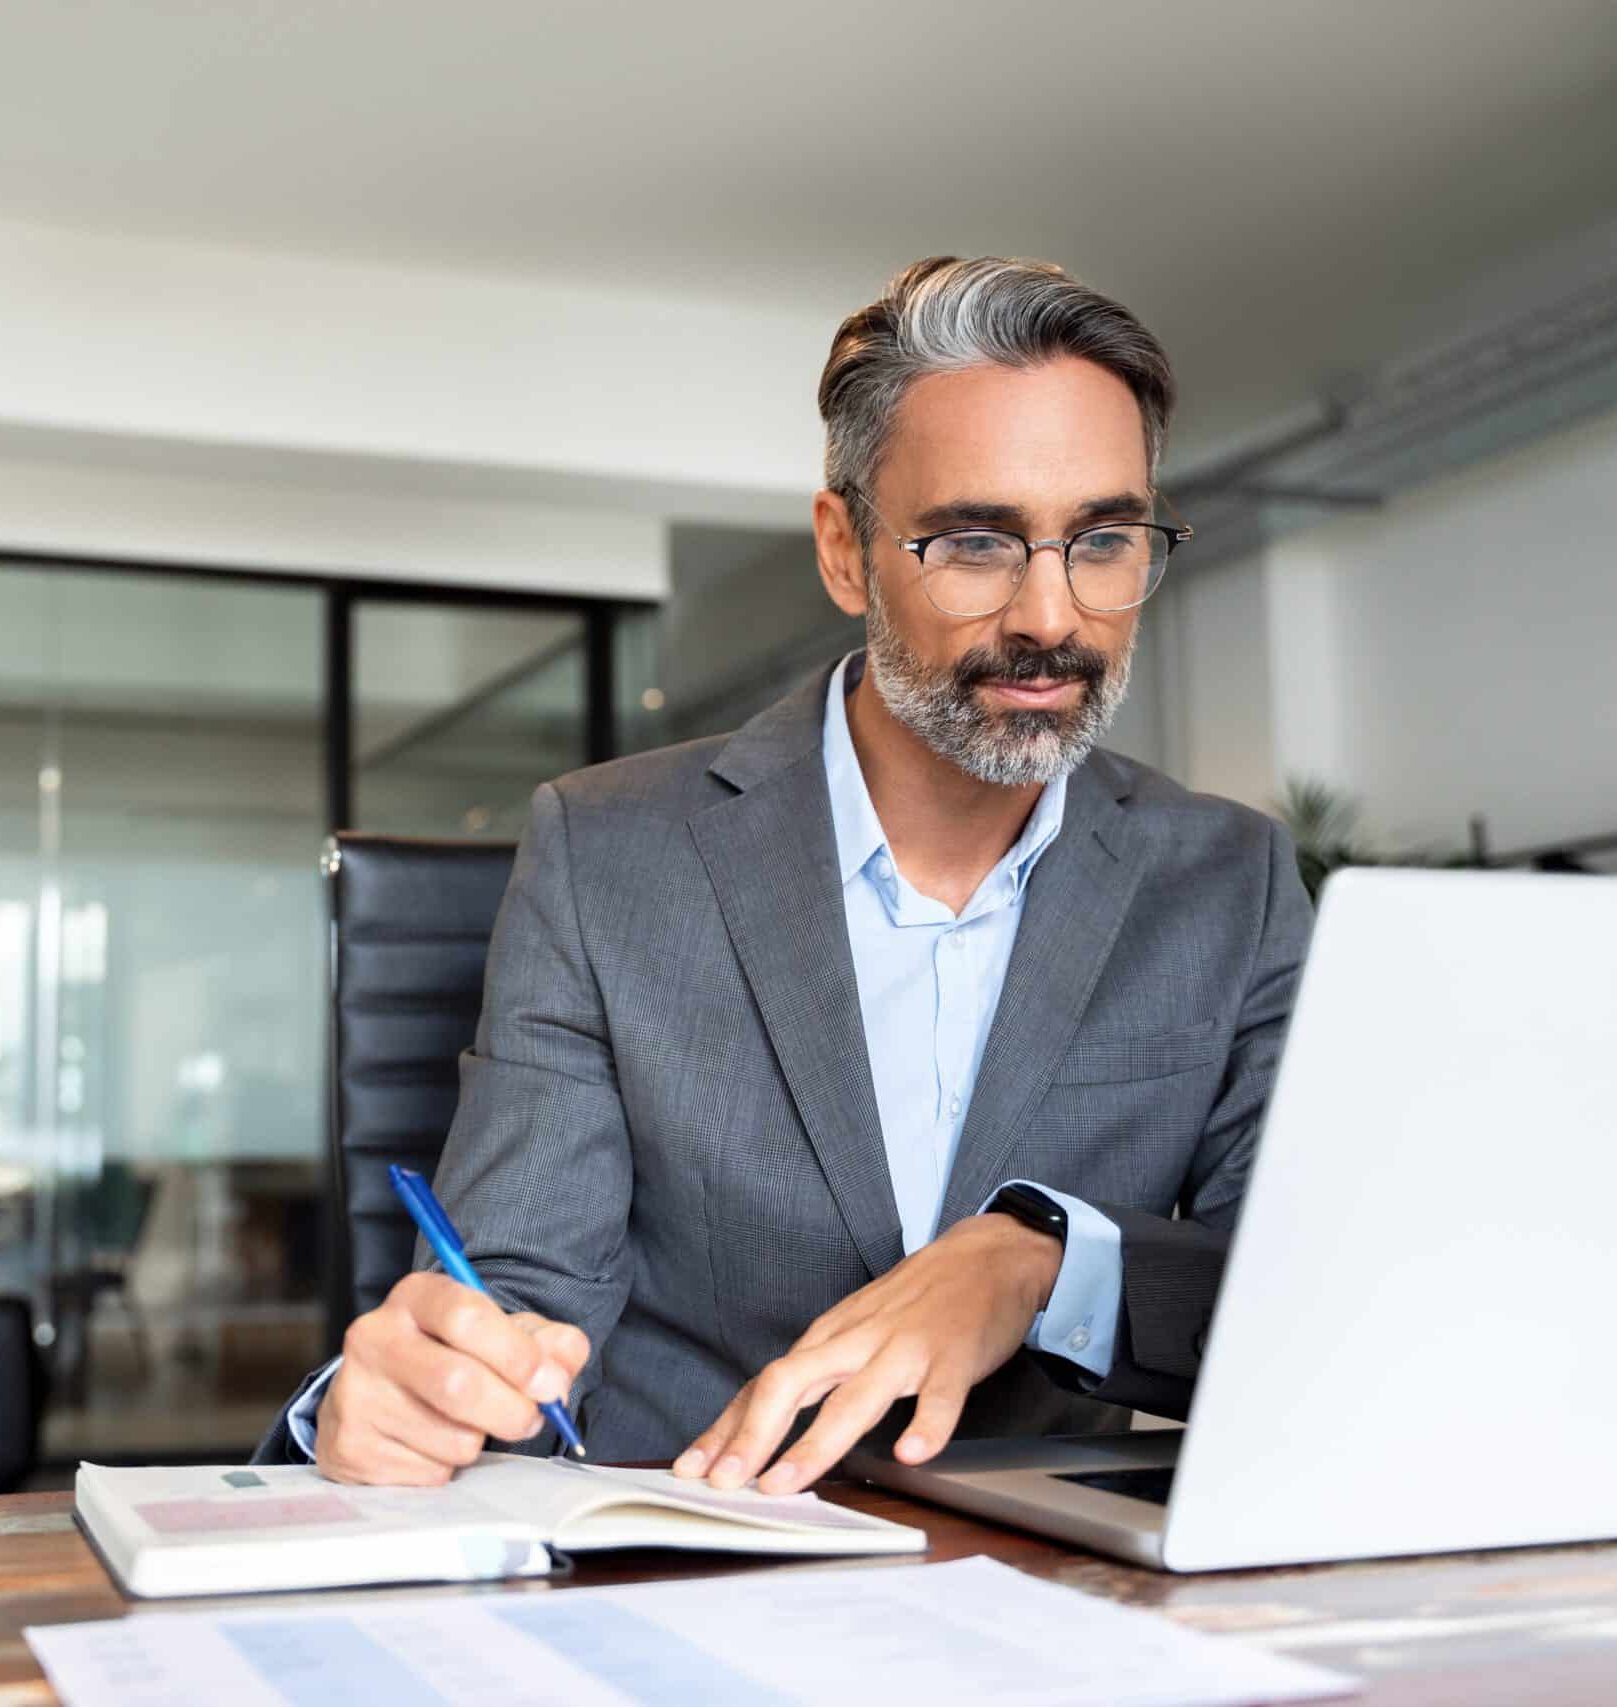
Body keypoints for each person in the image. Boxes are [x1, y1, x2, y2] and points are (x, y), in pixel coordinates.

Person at [257, 256, 1311, 1494]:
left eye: (1105, 539)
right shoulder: (608, 854)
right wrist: (421, 1399)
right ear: (846, 552)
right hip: (685, 1576)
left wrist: (1036, 1261)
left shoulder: (1226, 882)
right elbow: (522, 1302)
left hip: (1049, 1597)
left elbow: (1302, 1289)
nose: (1051, 615)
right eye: (976, 542)